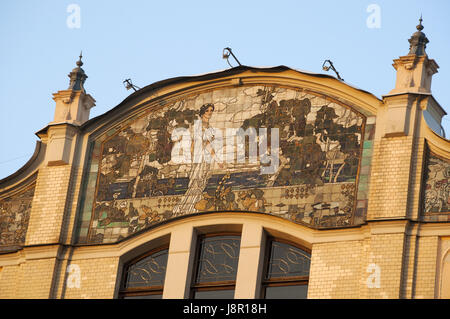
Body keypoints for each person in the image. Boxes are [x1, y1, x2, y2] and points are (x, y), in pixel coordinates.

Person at [172, 103, 221, 216]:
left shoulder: (209, 128)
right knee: (197, 181)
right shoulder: (199, 126)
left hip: (205, 158)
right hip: (200, 157)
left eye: (211, 110)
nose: (210, 113)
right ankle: (189, 207)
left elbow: (208, 144)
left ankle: (193, 206)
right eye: (208, 110)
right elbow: (196, 143)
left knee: (201, 181)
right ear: (203, 112)